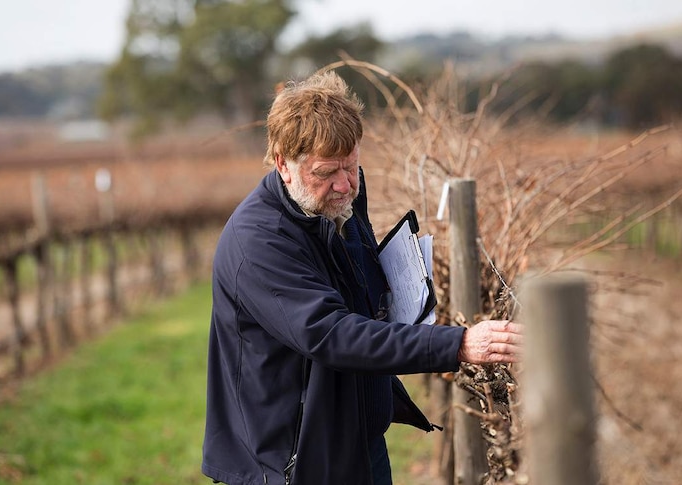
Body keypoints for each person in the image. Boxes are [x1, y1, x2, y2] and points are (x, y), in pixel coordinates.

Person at [202, 71, 522, 485]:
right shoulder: (259, 241)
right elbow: (331, 333)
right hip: (292, 463)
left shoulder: (336, 205)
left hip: (356, 440)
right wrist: (457, 343)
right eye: (326, 172)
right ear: (283, 163)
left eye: (351, 166)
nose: (344, 184)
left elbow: (363, 298)